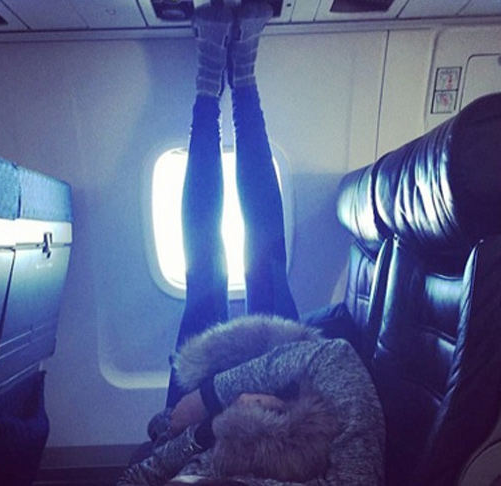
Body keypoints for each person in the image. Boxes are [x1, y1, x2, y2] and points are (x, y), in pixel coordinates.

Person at [117, 3, 385, 485]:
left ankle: (208, 85)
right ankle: (243, 83)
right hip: (292, 408)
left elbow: (143, 472)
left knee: (203, 271)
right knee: (265, 264)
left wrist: (208, 421)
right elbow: (336, 362)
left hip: (201, 433)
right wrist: (224, 398)